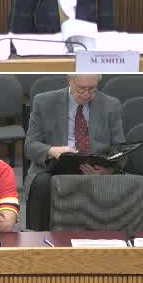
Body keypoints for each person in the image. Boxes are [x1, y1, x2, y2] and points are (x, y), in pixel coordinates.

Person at [23, 74, 125, 231]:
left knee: (117, 184)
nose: (86, 94)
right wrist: (53, 151)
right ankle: (37, 238)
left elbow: (120, 148)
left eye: (92, 89)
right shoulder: (44, 102)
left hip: (94, 166)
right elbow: (30, 146)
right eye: (81, 89)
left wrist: (107, 171)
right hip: (54, 166)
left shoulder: (111, 105)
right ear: (70, 81)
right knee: (41, 183)